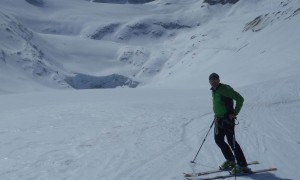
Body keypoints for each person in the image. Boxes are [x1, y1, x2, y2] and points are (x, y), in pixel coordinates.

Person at [209, 72, 251, 174]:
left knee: (232, 142)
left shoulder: (225, 89)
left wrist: (235, 112)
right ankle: (231, 160)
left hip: (227, 120)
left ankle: (242, 165)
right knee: (218, 140)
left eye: (215, 80)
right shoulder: (214, 90)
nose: (213, 82)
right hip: (218, 120)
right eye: (211, 80)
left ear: (219, 80)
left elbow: (240, 99)